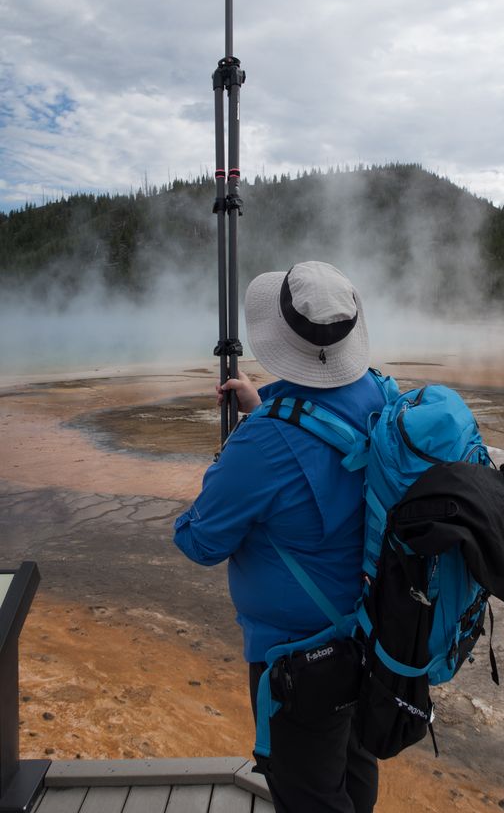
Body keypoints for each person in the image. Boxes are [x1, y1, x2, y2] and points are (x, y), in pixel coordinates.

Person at [173, 260, 386, 813]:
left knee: (307, 794)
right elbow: (327, 449)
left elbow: (199, 542)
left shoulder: (262, 446)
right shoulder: (376, 395)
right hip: (369, 632)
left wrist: (229, 465)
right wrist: (266, 408)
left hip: (299, 659)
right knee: (354, 769)